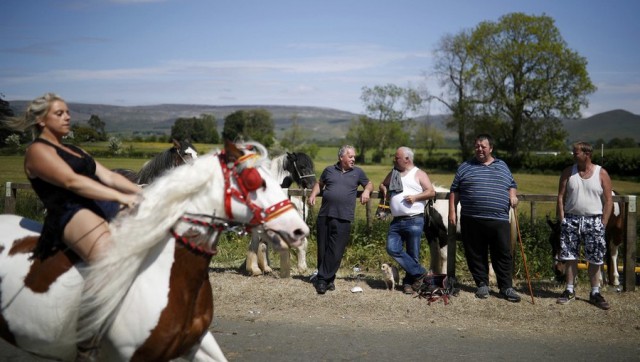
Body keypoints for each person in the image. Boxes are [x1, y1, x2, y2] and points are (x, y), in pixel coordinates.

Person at [4, 93, 141, 359]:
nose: (67, 117)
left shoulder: (76, 149)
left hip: (98, 204)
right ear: (41, 120)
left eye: (67, 112)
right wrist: (122, 198)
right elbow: (71, 182)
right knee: (108, 261)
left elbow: (109, 176)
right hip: (71, 212)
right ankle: (87, 343)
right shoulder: (37, 152)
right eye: (59, 113)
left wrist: (142, 192)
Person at [448, 134, 521, 302]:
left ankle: (506, 287)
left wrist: (513, 196)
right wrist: (452, 211)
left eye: (483, 146)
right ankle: (482, 284)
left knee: (503, 253)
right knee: (475, 253)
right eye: (477, 146)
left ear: (491, 148)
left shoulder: (502, 165)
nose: (479, 149)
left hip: (499, 219)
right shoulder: (465, 166)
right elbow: (455, 189)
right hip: (471, 218)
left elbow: (512, 185)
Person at [555, 142, 613, 310]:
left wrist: (604, 222)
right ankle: (569, 290)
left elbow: (609, 200)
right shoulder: (568, 172)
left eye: (576, 152)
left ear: (587, 154)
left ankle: (595, 292)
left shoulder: (601, 173)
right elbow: (560, 196)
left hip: (594, 220)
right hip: (571, 219)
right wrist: (562, 218)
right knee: (570, 256)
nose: (573, 155)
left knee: (595, 258)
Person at [308, 145, 372, 294]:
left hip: (344, 216)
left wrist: (367, 191)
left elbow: (368, 183)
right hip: (325, 214)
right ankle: (328, 280)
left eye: (354, 157)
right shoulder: (329, 170)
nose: (353, 159)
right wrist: (312, 195)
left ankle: (322, 279)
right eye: (350, 157)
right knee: (323, 248)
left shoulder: (358, 172)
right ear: (341, 157)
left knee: (336, 251)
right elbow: (319, 184)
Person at [379, 146, 435, 294]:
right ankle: (422, 273)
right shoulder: (394, 173)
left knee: (413, 254)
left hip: (414, 219)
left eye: (397, 158)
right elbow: (383, 184)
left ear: (407, 159)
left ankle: (408, 284)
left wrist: (416, 197)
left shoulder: (419, 174)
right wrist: (384, 188)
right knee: (392, 248)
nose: (394, 160)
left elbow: (431, 191)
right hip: (396, 220)